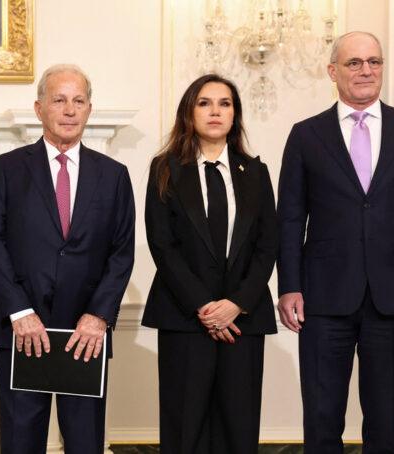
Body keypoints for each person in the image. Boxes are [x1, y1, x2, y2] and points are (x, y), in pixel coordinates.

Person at [277, 31, 394, 453]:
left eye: (374, 61)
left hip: (393, 295)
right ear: (332, 71)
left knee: (385, 421)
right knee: (322, 418)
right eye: (354, 63)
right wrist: (289, 286)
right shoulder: (306, 134)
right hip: (322, 297)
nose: (366, 70)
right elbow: (290, 218)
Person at [0, 64, 135, 453]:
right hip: (22, 331)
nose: (69, 110)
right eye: (59, 100)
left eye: (78, 101)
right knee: (20, 443)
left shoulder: (114, 175)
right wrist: (19, 312)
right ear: (39, 108)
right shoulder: (8, 168)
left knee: (85, 443)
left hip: (86, 336)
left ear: (89, 109)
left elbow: (121, 253)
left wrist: (98, 317)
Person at [142, 74, 278, 453]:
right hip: (185, 318)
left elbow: (267, 246)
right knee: (185, 429)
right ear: (190, 112)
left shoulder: (256, 173)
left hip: (243, 321)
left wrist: (236, 304)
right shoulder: (164, 168)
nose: (215, 111)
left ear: (235, 114)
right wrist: (204, 306)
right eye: (204, 103)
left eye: (224, 103)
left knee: (239, 429)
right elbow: (162, 245)